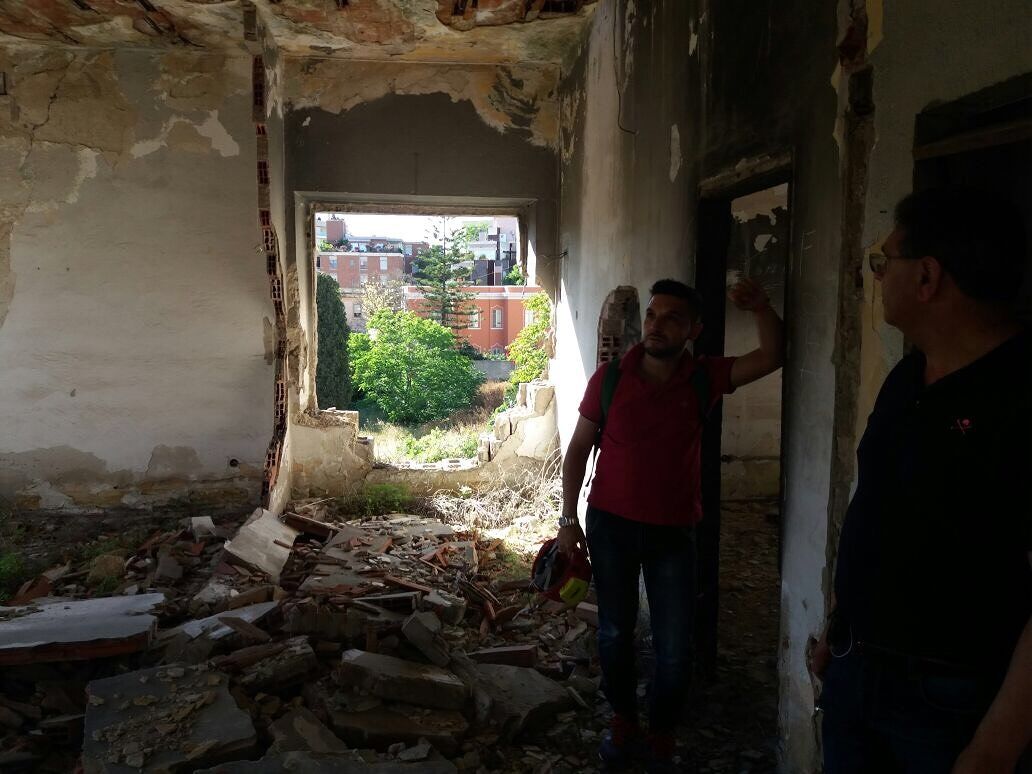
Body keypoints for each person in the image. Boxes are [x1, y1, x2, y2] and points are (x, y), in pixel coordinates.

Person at [813, 187, 1032, 774]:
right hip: (858, 668)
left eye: (884, 262)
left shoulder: (1020, 396)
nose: (878, 277)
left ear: (927, 277)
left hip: (952, 703)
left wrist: (993, 749)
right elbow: (877, 506)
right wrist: (840, 626)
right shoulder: (909, 377)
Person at [558, 277, 784, 771]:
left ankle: (661, 733)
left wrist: (762, 307)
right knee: (614, 633)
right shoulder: (610, 379)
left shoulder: (706, 377)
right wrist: (568, 520)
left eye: (672, 318)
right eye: (652, 315)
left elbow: (771, 356)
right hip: (611, 527)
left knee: (676, 647)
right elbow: (577, 450)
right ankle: (623, 721)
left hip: (673, 534)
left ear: (694, 330)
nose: (656, 326)